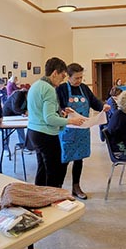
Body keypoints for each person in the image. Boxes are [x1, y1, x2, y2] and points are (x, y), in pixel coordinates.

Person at [27, 57, 84, 187]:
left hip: (33, 132)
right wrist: (71, 121)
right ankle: (52, 202)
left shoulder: (36, 85)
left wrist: (61, 114)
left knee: (42, 169)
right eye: (62, 76)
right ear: (55, 73)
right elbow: (49, 119)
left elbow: (41, 112)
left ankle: (39, 197)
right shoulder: (49, 89)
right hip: (46, 135)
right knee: (54, 171)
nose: (63, 79)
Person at [57, 63, 111, 199]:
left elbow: (94, 101)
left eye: (81, 77)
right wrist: (62, 110)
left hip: (82, 131)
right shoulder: (61, 89)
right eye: (76, 78)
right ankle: (58, 190)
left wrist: (103, 106)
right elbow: (57, 106)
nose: (79, 80)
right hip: (67, 130)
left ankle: (76, 187)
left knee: (79, 159)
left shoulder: (84, 88)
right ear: (68, 77)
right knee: (64, 160)